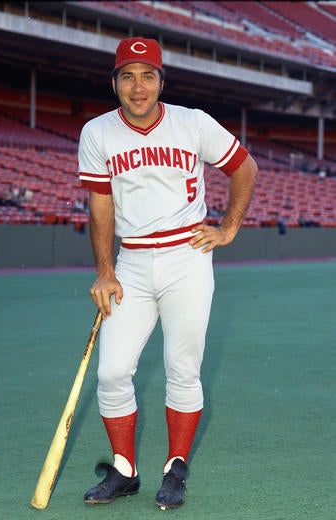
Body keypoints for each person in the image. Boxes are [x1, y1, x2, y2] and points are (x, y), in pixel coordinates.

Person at [78, 37, 258, 510]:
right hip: (132, 263)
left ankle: (174, 468)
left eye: (148, 75)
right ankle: (124, 470)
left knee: (184, 368)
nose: (138, 87)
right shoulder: (97, 133)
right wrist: (104, 270)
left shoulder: (192, 122)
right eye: (128, 76)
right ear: (114, 82)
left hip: (187, 257)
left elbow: (244, 168)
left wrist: (228, 228)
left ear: (162, 80)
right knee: (114, 370)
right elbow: (101, 207)